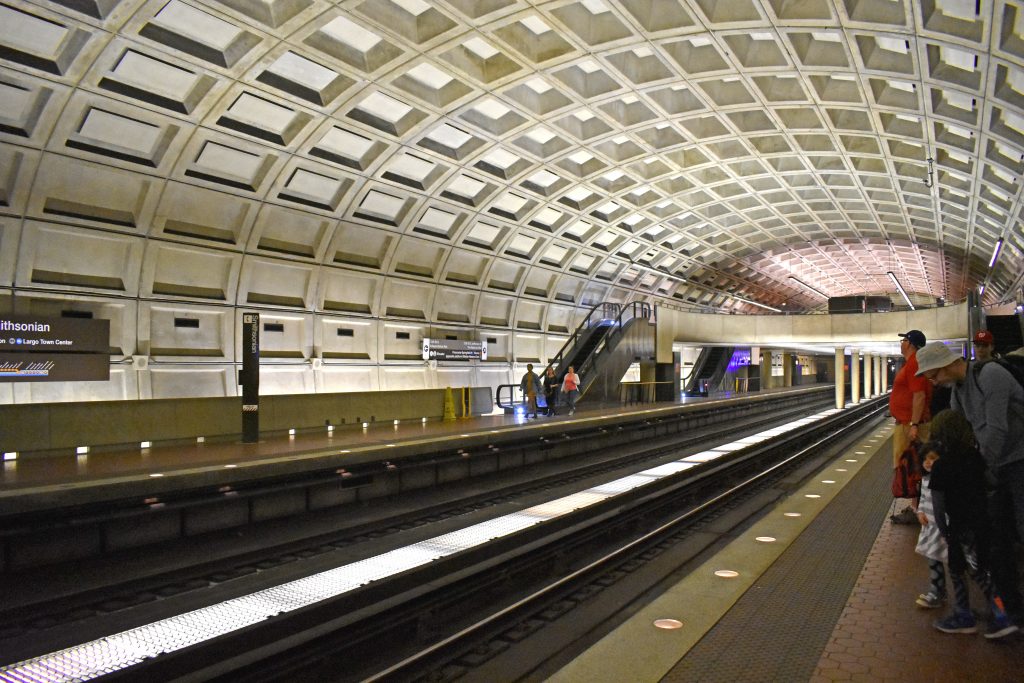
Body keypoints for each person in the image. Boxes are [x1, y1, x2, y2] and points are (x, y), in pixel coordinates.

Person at [915, 341, 1024, 629]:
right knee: (998, 541)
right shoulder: (959, 392)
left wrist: (978, 473)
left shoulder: (991, 377)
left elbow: (997, 429)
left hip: (1018, 461)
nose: (933, 381)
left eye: (934, 374)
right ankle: (1011, 609)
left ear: (948, 364)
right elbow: (959, 434)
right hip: (998, 468)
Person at [919, 429, 1017, 638]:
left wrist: (945, 532)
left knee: (959, 571)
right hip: (979, 524)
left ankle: (968, 616)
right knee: (980, 570)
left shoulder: (943, 466)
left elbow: (938, 505)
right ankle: (1000, 613)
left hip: (958, 529)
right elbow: (989, 483)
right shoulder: (973, 456)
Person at [889, 330, 933, 523]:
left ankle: (920, 510)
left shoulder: (915, 362)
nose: (901, 343)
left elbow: (919, 395)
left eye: (904, 340)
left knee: (914, 467)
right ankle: (916, 508)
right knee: (913, 468)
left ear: (911, 344)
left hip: (911, 425)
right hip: (908, 423)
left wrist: (914, 424)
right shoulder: (913, 363)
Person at [913, 442, 948, 610]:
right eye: (925, 459)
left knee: (946, 561)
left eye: (933, 459)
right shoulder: (926, 480)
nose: (928, 462)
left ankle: (938, 591)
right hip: (929, 528)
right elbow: (924, 500)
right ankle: (937, 590)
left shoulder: (944, 481)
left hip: (942, 529)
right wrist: (920, 513)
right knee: (932, 559)